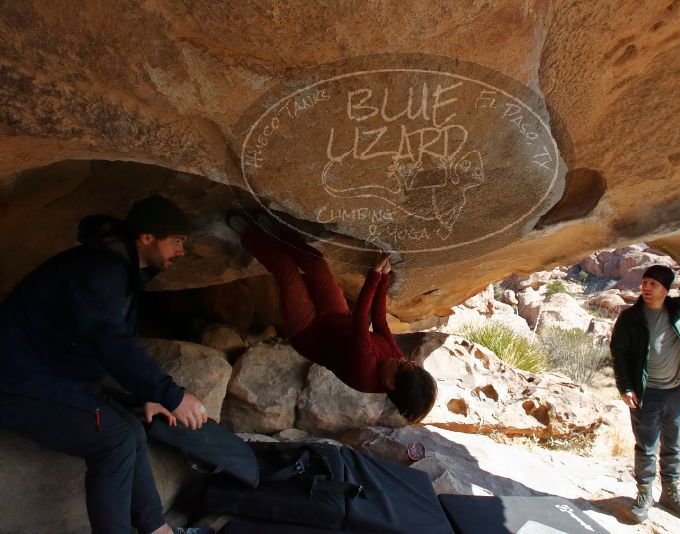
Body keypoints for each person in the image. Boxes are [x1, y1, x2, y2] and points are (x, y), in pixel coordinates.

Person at [0, 195, 210, 534]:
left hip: (51, 378)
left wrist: (147, 394)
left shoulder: (119, 269)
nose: (181, 251)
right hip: (16, 383)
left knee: (132, 430)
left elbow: (114, 341)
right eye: (176, 241)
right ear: (147, 238)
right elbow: (110, 342)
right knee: (114, 439)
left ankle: (156, 529)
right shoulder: (100, 270)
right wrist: (172, 395)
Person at [227, 211, 437, 423]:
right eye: (407, 361)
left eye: (401, 365)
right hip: (337, 318)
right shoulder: (397, 366)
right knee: (316, 263)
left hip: (307, 332)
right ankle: (276, 233)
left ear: (390, 384)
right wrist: (384, 279)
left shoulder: (365, 372)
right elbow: (380, 323)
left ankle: (248, 234)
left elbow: (361, 320)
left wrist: (374, 276)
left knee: (286, 270)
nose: (400, 358)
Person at [610, 264, 680, 523]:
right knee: (646, 447)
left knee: (673, 446)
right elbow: (619, 353)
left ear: (666, 289)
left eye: (653, 284)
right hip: (646, 393)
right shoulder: (631, 317)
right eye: (644, 282)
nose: (646, 288)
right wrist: (625, 387)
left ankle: (670, 493)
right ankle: (644, 494)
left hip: (675, 392)